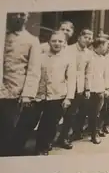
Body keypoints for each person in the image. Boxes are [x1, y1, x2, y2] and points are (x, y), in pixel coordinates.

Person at [0, 12, 41, 156]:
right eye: (14, 14)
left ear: (27, 17)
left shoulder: (32, 40)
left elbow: (33, 69)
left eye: (21, 14)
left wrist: (27, 94)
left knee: (8, 128)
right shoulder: (3, 35)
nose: (17, 17)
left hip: (14, 91)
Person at [32, 31, 76, 155]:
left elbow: (71, 79)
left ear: (64, 43)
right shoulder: (41, 57)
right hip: (39, 95)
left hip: (57, 95)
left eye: (60, 41)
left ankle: (42, 147)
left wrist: (68, 98)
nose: (57, 43)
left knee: (50, 123)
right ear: (49, 42)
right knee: (31, 121)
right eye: (54, 41)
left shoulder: (68, 59)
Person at [57, 28, 93, 149]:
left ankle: (64, 137)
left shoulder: (89, 53)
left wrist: (87, 89)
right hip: (65, 84)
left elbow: (88, 72)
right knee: (58, 112)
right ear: (79, 37)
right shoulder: (68, 49)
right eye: (85, 37)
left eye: (89, 38)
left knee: (71, 114)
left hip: (79, 87)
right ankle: (50, 138)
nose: (87, 40)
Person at [88, 38, 109, 144]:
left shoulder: (103, 59)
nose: (107, 48)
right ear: (100, 46)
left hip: (99, 89)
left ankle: (94, 133)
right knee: (86, 113)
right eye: (105, 46)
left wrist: (106, 88)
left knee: (96, 113)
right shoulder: (89, 56)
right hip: (88, 89)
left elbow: (106, 76)